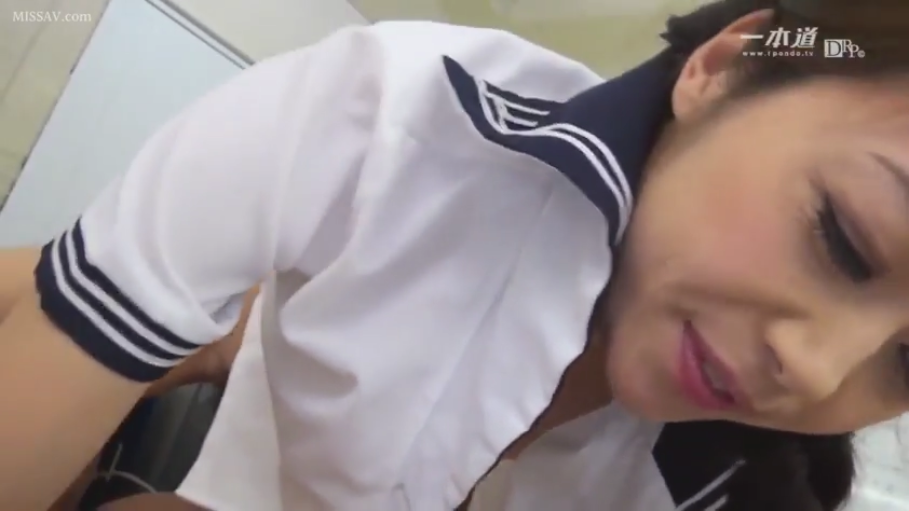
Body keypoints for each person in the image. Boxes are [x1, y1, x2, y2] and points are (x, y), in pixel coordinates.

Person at [1, 0, 907, 508]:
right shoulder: (396, 116)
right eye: (846, 239)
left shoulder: (735, 485)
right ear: (722, 68)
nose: (817, 369)